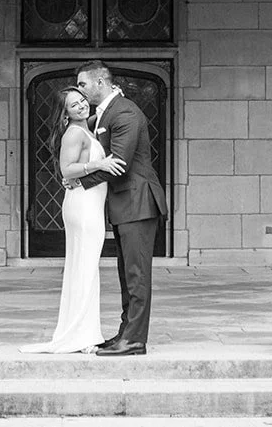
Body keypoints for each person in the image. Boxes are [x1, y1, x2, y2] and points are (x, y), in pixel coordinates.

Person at [20, 86, 125, 354]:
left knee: (85, 268)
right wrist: (98, 165)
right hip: (83, 206)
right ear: (65, 113)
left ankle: (85, 331)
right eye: (74, 105)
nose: (81, 106)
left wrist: (115, 97)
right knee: (85, 269)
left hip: (88, 203)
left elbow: (98, 117)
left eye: (82, 101)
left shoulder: (86, 128)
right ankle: (81, 335)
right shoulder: (74, 133)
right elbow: (67, 170)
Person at [73, 59, 167, 357]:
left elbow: (121, 165)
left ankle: (135, 340)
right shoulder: (105, 113)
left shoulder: (124, 112)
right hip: (126, 205)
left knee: (137, 275)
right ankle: (126, 333)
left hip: (138, 202)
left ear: (100, 83)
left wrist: (79, 183)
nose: (81, 90)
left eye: (83, 84)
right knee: (127, 274)